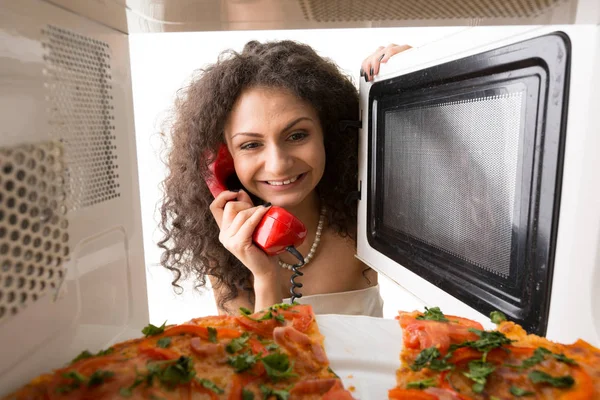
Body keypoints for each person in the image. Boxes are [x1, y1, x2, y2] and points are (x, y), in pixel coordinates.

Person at [158, 40, 410, 316]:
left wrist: (414, 79)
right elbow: (257, 357)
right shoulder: (224, 244)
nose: (278, 166)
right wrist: (264, 276)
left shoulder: (365, 217)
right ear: (225, 159)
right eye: (251, 145)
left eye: (297, 135)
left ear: (328, 134)